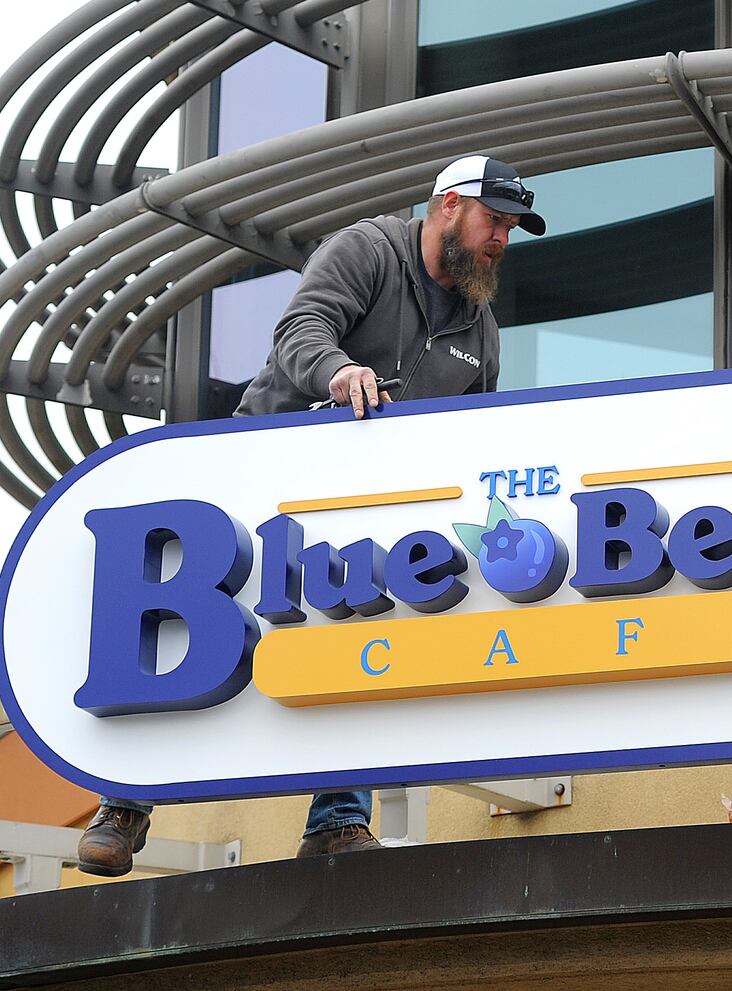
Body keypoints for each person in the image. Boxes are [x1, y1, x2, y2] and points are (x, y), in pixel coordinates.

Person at [76, 155, 546, 877]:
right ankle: (124, 801)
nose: (502, 241)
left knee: (367, 632)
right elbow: (300, 330)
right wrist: (337, 370)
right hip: (263, 476)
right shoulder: (368, 250)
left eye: (512, 228)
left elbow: (472, 441)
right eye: (495, 221)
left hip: (362, 513)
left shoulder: (478, 331)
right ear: (448, 205)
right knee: (192, 625)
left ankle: (336, 822)